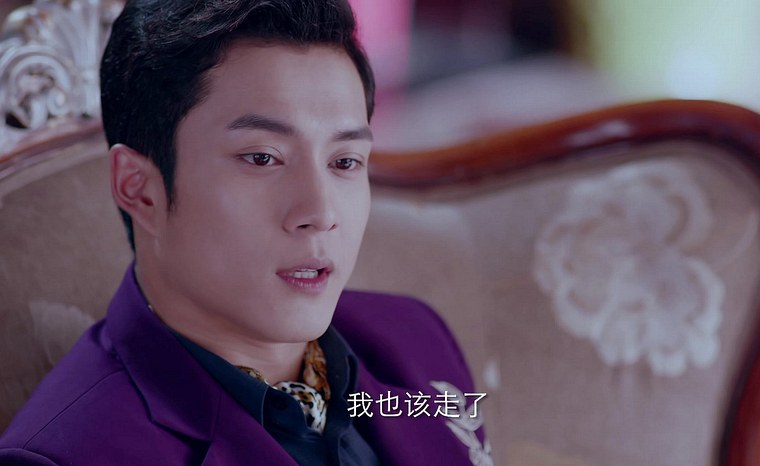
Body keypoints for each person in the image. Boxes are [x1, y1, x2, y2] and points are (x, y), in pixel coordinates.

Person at [0, 0, 490, 464]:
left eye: (345, 161)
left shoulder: (414, 337)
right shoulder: (71, 455)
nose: (320, 212)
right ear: (140, 190)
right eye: (262, 158)